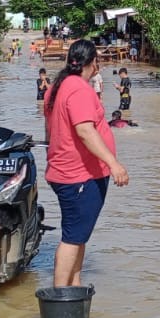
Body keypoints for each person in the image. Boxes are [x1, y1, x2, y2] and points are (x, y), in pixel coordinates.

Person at [42, 40, 129, 288]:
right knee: (72, 238)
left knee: (78, 235)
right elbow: (85, 131)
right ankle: (59, 295)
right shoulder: (79, 89)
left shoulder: (57, 87)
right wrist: (113, 164)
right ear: (93, 63)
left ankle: (75, 286)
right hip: (79, 176)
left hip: (66, 172)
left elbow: (49, 131)